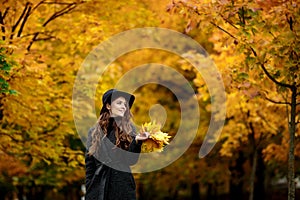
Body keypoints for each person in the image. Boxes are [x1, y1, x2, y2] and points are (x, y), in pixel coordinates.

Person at [85, 89, 149, 200]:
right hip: (99, 186)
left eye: (125, 104)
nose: (124, 106)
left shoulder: (129, 129)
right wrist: (90, 188)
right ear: (108, 105)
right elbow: (90, 165)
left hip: (122, 187)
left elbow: (131, 160)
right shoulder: (94, 132)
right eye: (119, 103)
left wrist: (137, 142)